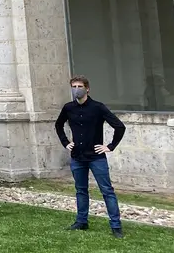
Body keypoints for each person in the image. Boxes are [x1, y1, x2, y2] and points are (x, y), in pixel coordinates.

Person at [55, 75, 126, 238]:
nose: (76, 89)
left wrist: (110, 146)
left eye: (79, 86)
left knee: (107, 191)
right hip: (77, 157)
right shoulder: (68, 108)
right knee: (81, 190)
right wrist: (66, 142)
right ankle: (81, 221)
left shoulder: (98, 107)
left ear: (87, 89)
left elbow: (119, 127)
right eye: (73, 86)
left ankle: (116, 226)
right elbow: (58, 125)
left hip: (96, 157)